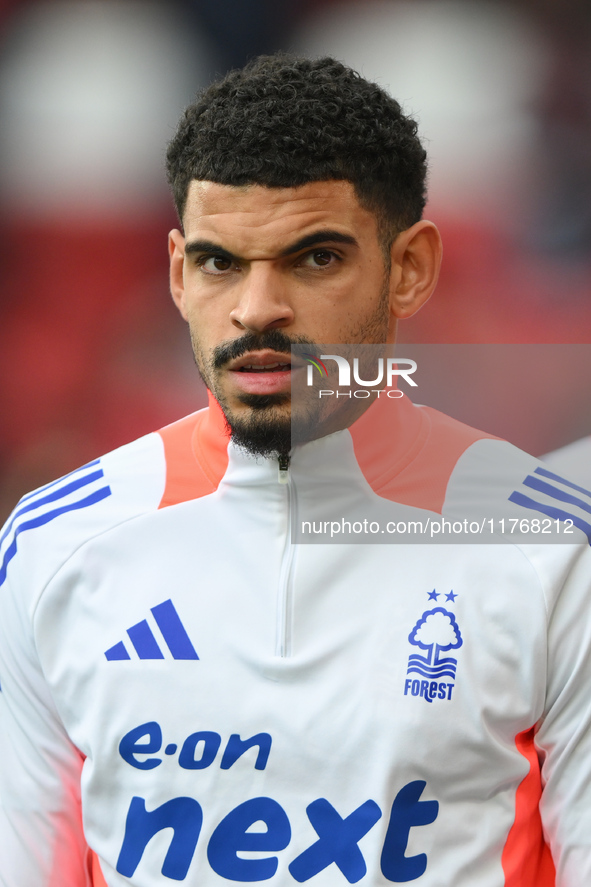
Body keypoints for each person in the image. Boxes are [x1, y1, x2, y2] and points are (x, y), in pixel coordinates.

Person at [1, 54, 591, 887]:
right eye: (218, 263)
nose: (256, 308)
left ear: (410, 268)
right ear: (176, 272)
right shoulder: (55, 546)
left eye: (314, 258)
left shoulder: (554, 552)